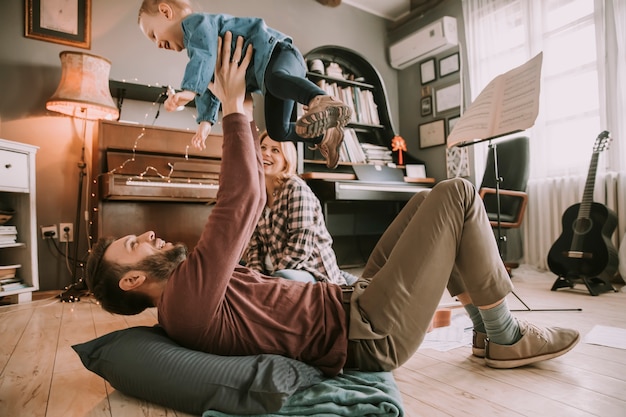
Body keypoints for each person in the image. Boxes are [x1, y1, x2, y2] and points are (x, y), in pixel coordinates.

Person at [86, 32, 580, 377]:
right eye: (133, 243)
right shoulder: (183, 300)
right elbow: (241, 200)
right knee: (459, 194)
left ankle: (486, 335)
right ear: (132, 281)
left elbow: (243, 209)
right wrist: (234, 109)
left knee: (431, 202)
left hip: (352, 297)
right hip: (368, 330)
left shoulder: (185, 297)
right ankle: (505, 334)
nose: (148, 234)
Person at [137, 0, 351, 169]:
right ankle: (326, 135)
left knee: (275, 80)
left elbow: (203, 57)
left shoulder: (197, 24)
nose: (157, 44)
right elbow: (210, 84)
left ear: (166, 12)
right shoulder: (202, 53)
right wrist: (205, 123)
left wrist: (190, 90)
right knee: (278, 131)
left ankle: (321, 100)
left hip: (279, 53)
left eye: (153, 35)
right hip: (271, 78)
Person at [242, 131, 357, 286]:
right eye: (262, 148)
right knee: (234, 272)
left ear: (286, 159)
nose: (265, 154)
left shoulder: (296, 189)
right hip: (270, 274)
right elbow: (254, 245)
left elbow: (299, 249)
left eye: (275, 150)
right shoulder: (256, 192)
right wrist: (254, 277)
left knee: (282, 279)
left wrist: (267, 282)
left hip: (308, 270)